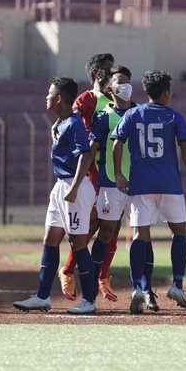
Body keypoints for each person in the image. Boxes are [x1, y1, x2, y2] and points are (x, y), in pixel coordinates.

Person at [111, 70, 186, 314]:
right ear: (166, 92)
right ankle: (177, 285)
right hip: (169, 184)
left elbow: (116, 142)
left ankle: (137, 289)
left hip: (140, 184)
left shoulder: (132, 113)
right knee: (178, 231)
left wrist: (119, 173)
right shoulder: (174, 116)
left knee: (140, 234)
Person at [13, 77, 98, 314]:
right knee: (50, 239)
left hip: (74, 187)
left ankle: (89, 300)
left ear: (59, 98)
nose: (46, 97)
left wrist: (74, 188)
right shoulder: (62, 123)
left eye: (49, 94)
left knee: (78, 243)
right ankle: (42, 297)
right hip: (61, 185)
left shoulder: (74, 124)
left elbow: (85, 155)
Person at [87, 66, 154, 307]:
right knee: (106, 233)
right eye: (120, 81)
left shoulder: (140, 112)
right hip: (110, 183)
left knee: (143, 235)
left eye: (128, 80)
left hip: (139, 184)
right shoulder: (103, 116)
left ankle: (146, 291)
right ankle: (91, 285)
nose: (126, 85)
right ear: (109, 88)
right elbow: (93, 147)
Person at [59, 53, 117, 302]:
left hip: (114, 171)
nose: (111, 72)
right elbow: (70, 121)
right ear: (96, 73)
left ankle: (102, 276)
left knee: (112, 228)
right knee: (91, 224)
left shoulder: (120, 100)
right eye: (106, 69)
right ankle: (68, 270)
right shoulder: (87, 99)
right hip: (92, 171)